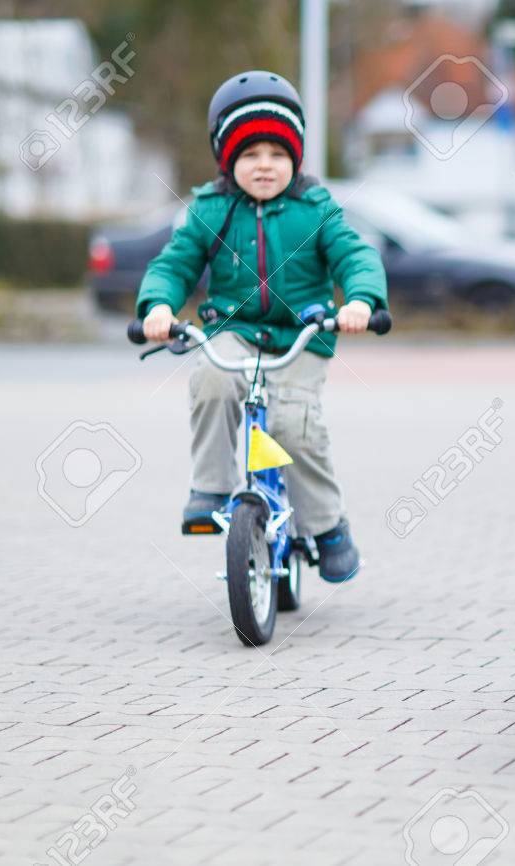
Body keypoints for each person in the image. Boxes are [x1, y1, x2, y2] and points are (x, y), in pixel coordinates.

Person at [135, 70, 387, 583]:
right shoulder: (209, 209)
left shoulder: (315, 209)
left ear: (296, 158)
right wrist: (158, 307)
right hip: (234, 329)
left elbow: (355, 256)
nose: (265, 166)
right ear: (228, 160)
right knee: (211, 379)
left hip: (303, 334)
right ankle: (209, 487)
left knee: (294, 426)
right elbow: (174, 265)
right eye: (250, 155)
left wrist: (361, 300)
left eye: (277, 154)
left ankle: (326, 527)